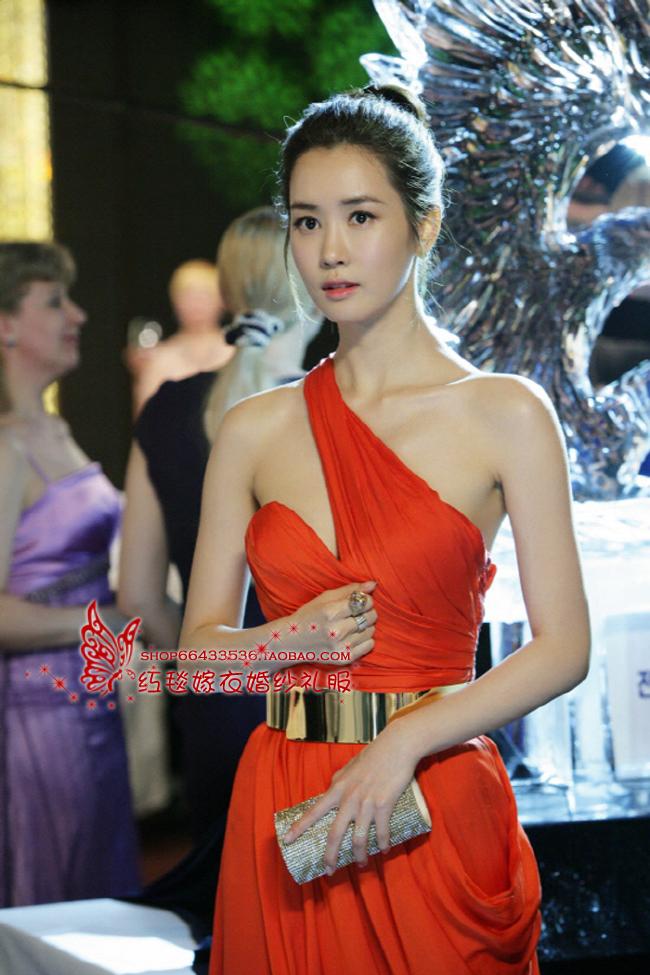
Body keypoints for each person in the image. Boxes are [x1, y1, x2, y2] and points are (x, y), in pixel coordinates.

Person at [180, 87, 590, 974]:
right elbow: (199, 658)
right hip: (291, 802)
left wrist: (405, 737)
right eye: (306, 221)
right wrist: (290, 639)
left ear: (425, 225)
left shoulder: (504, 413)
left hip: (431, 793)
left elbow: (564, 649)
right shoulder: (253, 429)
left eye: (360, 216)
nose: (330, 250)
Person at [118, 206, 320, 842]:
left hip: (213, 707)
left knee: (226, 895)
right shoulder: (337, 409)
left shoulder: (168, 409)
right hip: (325, 713)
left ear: (228, 294)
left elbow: (138, 595)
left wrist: (210, 663)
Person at [0, 242, 140, 907]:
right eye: (56, 302)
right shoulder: (6, 446)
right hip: (40, 714)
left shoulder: (50, 428)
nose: (78, 315)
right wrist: (103, 620)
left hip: (87, 699)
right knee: (57, 898)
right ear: (5, 324)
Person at [127, 260, 234, 415]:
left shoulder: (236, 351)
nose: (196, 304)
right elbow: (145, 415)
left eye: (204, 295)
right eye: (188, 296)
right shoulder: (159, 358)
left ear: (222, 300)